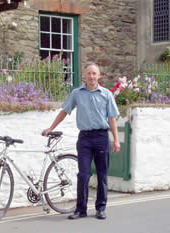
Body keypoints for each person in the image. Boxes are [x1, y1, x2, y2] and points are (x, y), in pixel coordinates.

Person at [43, 62, 120, 220]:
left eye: (94, 73)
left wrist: (116, 140)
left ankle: (100, 208)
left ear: (99, 76)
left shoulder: (106, 94)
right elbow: (64, 111)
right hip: (84, 138)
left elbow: (112, 119)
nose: (91, 76)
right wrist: (51, 128)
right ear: (84, 75)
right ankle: (81, 209)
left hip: (101, 137)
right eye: (89, 73)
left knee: (102, 174)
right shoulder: (77, 93)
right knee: (83, 175)